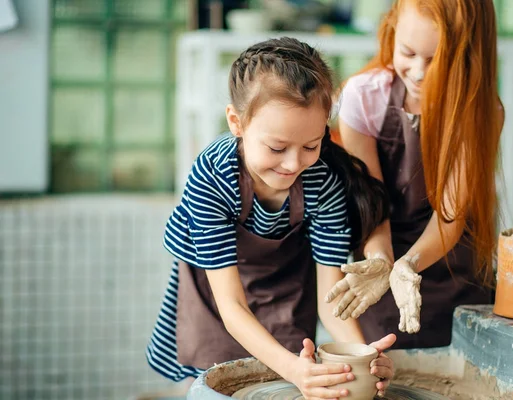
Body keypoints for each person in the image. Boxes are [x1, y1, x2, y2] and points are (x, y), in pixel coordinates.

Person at [146, 37, 396, 399]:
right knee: (215, 386)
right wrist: (294, 370)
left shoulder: (322, 181)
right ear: (237, 122)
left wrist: (363, 356)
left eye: (311, 146)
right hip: (217, 297)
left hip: (285, 290)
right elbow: (231, 306)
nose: (294, 164)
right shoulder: (212, 176)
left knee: (288, 378)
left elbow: (330, 298)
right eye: (277, 148)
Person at [325, 0, 505, 349]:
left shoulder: (481, 110)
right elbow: (372, 205)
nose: (419, 72)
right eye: (407, 52)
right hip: (382, 271)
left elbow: (450, 217)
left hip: (457, 276)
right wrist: (382, 262)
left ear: (469, 55)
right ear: (391, 31)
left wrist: (409, 264)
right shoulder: (362, 98)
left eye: (436, 59)